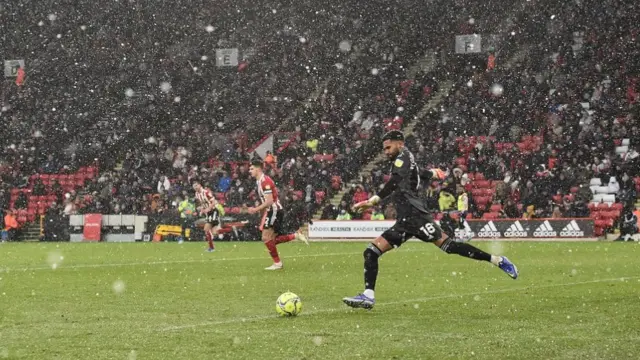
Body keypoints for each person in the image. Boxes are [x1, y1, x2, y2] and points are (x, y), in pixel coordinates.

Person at [343, 131, 518, 309]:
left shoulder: (402, 157)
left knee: (450, 246)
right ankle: (368, 296)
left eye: (389, 147)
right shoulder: (405, 159)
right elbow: (415, 172)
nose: (386, 152)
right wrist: (431, 173)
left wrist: (373, 200)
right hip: (405, 221)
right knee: (371, 252)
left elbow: (395, 181)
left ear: (400, 144)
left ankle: (498, 260)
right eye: (384, 149)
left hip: (416, 217)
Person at [247, 159, 306, 270]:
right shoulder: (259, 181)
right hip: (272, 211)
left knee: (266, 238)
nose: (249, 171)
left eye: (251, 169)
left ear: (258, 169)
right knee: (271, 240)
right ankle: (295, 236)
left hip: (274, 210)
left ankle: (278, 263)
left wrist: (256, 209)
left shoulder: (265, 181)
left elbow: (269, 201)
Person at [192, 180, 224, 252]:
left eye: (196, 186)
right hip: (208, 213)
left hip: (213, 211)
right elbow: (203, 204)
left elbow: (214, 201)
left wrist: (208, 208)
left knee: (206, 229)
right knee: (213, 232)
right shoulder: (197, 194)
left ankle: (211, 248)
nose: (195, 188)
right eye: (194, 187)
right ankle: (220, 233)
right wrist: (201, 209)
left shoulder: (206, 192)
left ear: (200, 185)